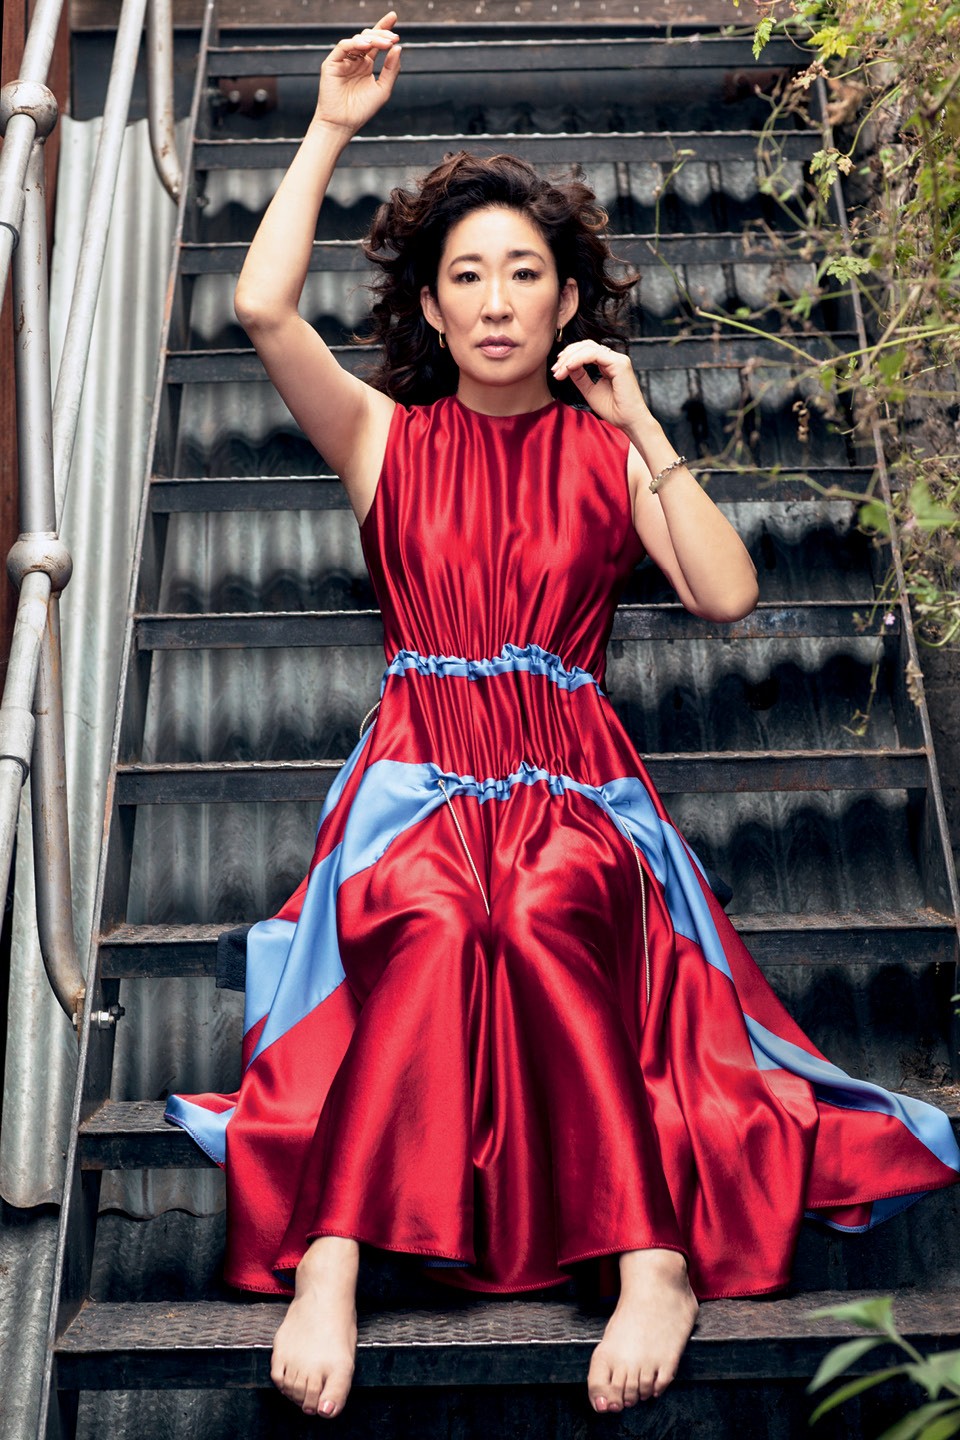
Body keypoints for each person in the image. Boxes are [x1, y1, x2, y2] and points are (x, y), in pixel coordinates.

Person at [164, 10, 960, 1423]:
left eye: (523, 274)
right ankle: (332, 1260)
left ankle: (652, 1262)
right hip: (414, 777)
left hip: (574, 781)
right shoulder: (383, 437)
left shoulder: (605, 448)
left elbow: (725, 594)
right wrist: (331, 124)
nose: (493, 302)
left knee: (538, 908)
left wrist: (644, 425)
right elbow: (265, 311)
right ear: (429, 309)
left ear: (565, 300)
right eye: (465, 276)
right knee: (431, 912)